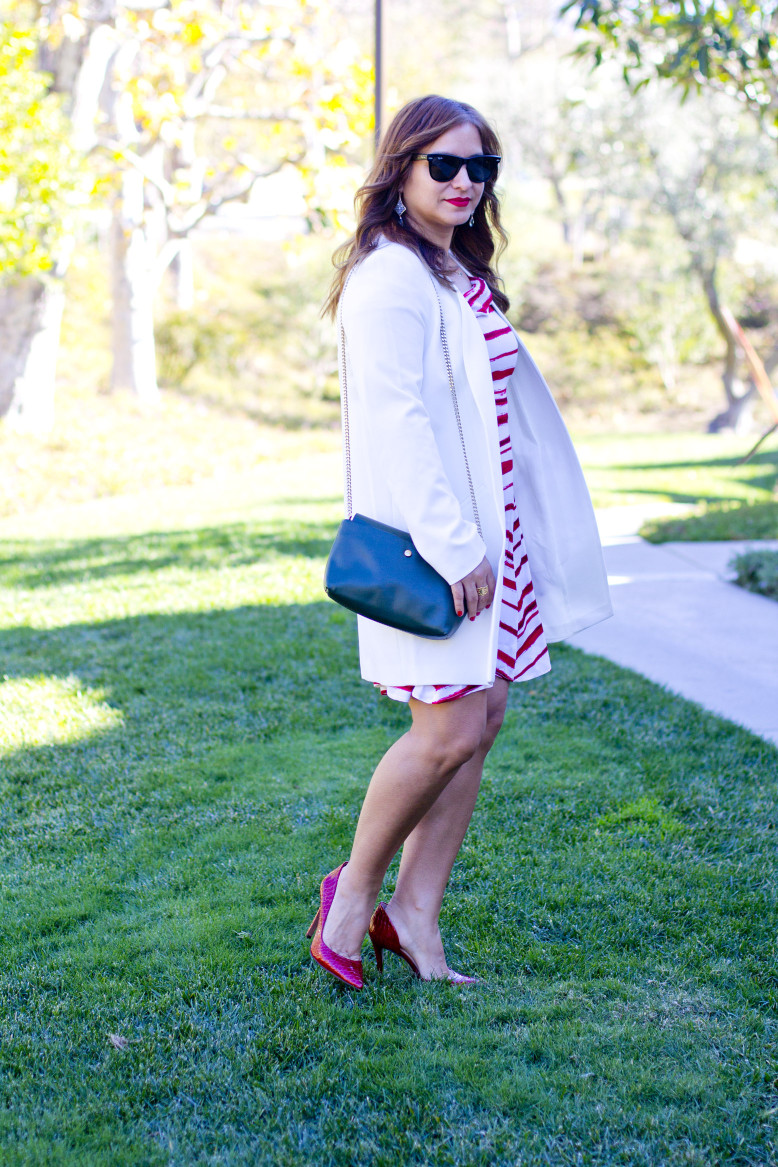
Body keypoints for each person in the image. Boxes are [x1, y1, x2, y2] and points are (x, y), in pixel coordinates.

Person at [307, 95, 612, 989]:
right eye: (445, 163)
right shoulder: (390, 277)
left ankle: (417, 914)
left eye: (481, 167)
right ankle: (354, 895)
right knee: (443, 730)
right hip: (440, 547)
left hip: (491, 538)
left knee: (481, 719)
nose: (466, 182)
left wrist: (495, 541)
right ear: (400, 168)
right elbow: (396, 420)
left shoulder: (448, 272)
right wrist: (454, 546)